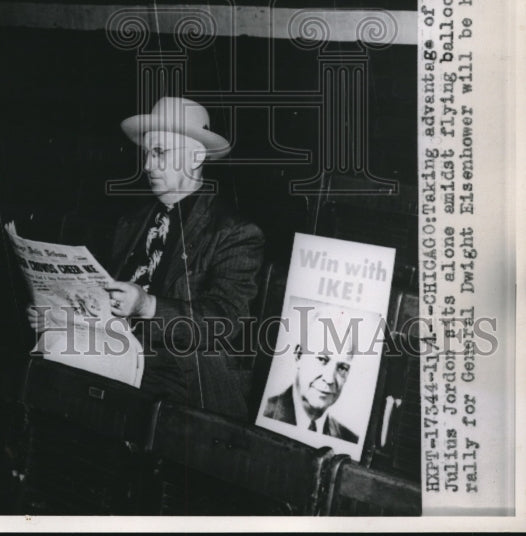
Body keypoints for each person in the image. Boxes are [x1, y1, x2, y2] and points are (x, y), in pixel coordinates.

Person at [103, 96, 265, 419]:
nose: (147, 165)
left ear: (196, 156)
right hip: (117, 357)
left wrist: (147, 307)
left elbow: (224, 322)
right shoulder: (130, 224)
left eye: (160, 152)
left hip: (182, 380)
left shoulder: (234, 233)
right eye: (147, 153)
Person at [262, 308, 359, 442]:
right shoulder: (263, 414)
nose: (330, 379)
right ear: (299, 355)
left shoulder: (350, 440)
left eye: (342, 367)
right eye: (321, 359)